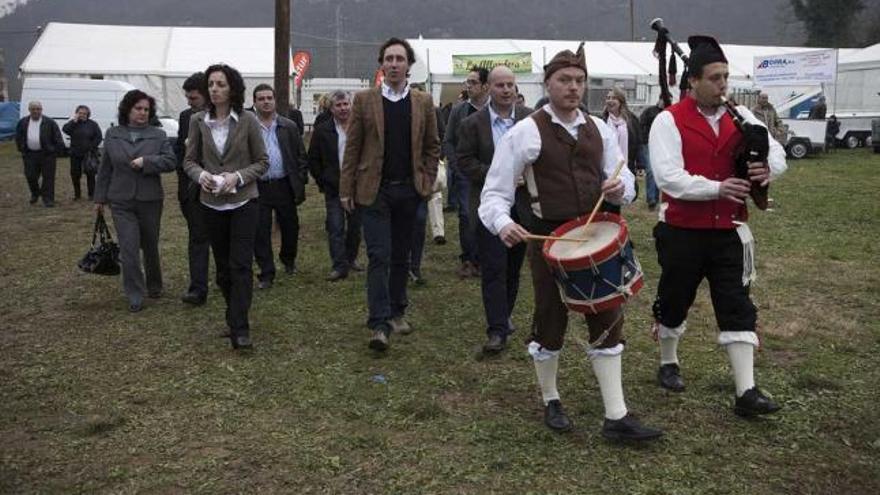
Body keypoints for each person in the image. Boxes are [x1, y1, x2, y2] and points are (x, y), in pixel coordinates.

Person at [479, 45, 663, 441]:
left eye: (579, 81)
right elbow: (493, 194)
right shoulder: (526, 131)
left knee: (608, 316)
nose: (573, 87)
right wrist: (503, 223)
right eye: (565, 80)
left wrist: (620, 188)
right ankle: (551, 398)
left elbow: (626, 179)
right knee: (550, 319)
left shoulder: (599, 127)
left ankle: (616, 416)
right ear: (548, 83)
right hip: (550, 239)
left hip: (598, 235)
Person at [648, 35, 787, 417]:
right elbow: (668, 177)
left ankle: (746, 391)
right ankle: (668, 361)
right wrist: (717, 187)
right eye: (714, 78)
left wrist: (765, 168)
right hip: (681, 230)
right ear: (692, 81)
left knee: (737, 304)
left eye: (725, 76)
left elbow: (777, 152)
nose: (722, 85)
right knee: (675, 299)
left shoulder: (741, 117)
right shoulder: (668, 120)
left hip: (729, 230)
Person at [339, 37, 440, 351]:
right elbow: (353, 147)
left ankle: (398, 310)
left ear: (409, 65)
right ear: (381, 64)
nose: (394, 64)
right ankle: (379, 322)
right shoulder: (365, 100)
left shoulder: (422, 102)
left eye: (400, 59)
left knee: (402, 256)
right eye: (389, 59)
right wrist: (346, 189)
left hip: (409, 191)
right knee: (378, 255)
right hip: (374, 192)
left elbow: (433, 146)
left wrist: (426, 179)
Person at [184, 64, 269, 351]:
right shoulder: (197, 121)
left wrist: (238, 176)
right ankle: (233, 314)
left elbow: (262, 162)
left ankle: (240, 328)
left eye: (220, 84)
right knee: (222, 269)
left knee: (241, 265)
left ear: (232, 88)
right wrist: (201, 176)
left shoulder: (248, 120)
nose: (214, 89)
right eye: (211, 84)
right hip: (211, 204)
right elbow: (189, 161)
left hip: (244, 202)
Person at [457, 65, 532, 354]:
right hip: (490, 209)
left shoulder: (529, 120)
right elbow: (464, 162)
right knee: (493, 269)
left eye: (510, 85)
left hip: (523, 208)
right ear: (489, 88)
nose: (506, 90)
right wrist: (500, 175)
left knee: (513, 268)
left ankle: (505, 314)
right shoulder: (472, 125)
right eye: (500, 85)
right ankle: (496, 330)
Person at [94, 90, 177, 312]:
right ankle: (135, 294)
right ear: (127, 110)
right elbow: (105, 169)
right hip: (120, 200)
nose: (142, 113)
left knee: (150, 245)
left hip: (150, 199)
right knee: (129, 248)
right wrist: (100, 198)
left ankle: (155, 285)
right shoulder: (112, 134)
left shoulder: (158, 135)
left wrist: (147, 161)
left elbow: (171, 162)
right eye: (138, 108)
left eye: (146, 110)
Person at [252, 83, 308, 289]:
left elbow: (301, 155)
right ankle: (266, 272)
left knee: (290, 226)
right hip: (259, 186)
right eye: (261, 98)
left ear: (275, 100)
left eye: (269, 98)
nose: (266, 102)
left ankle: (288, 259)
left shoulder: (288, 126)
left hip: (284, 184)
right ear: (254, 102)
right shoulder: (249, 127)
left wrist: (300, 179)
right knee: (260, 230)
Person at [308, 90, 363, 282]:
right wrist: (324, 180)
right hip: (334, 188)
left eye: (346, 104)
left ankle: (351, 258)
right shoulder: (322, 131)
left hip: (357, 187)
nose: (343, 108)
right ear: (331, 108)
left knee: (356, 227)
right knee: (336, 227)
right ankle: (339, 266)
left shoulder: (360, 128)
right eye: (338, 105)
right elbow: (313, 160)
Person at [444, 67, 490, 278]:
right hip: (465, 174)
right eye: (467, 82)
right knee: (466, 214)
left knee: (488, 214)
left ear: (485, 86)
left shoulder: (495, 110)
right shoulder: (459, 110)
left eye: (472, 82)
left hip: (490, 174)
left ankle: (484, 257)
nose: (467, 86)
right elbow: (449, 140)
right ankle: (469, 258)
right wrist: (455, 166)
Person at [174, 72, 212, 306]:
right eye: (187, 98)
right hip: (194, 189)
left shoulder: (230, 116)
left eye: (194, 98)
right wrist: (185, 189)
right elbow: (181, 154)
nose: (189, 102)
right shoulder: (185, 117)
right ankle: (198, 288)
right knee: (197, 239)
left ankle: (230, 281)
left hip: (223, 188)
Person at [15, 101, 65, 207]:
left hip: (47, 155)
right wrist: (22, 149)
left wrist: (54, 150)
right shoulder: (23, 122)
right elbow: (18, 137)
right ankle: (35, 193)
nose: (36, 111)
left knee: (48, 178)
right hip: (30, 154)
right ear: (29, 110)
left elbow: (58, 138)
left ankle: (48, 199)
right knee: (30, 176)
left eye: (38, 109)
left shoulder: (50, 122)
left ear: (41, 110)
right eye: (33, 109)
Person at [602, 87, 641, 209]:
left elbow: (637, 142)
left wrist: (640, 164)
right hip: (607, 167)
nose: (610, 100)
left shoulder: (631, 120)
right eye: (608, 98)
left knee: (621, 194)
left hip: (625, 163)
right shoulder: (602, 121)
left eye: (613, 98)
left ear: (620, 101)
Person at [62, 105, 103, 200]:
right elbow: (65, 130)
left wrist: (91, 146)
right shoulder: (73, 124)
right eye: (80, 113)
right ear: (77, 113)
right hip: (75, 153)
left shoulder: (93, 124)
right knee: (75, 174)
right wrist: (74, 121)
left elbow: (99, 137)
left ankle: (91, 194)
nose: (82, 115)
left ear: (88, 114)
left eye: (84, 113)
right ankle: (77, 195)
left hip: (89, 154)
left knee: (90, 174)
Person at [638, 98, 665, 210]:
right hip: (647, 143)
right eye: (664, 99)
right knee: (650, 170)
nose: (665, 102)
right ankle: (651, 199)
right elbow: (641, 124)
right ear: (659, 100)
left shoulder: (667, 112)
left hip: (661, 144)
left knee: (657, 171)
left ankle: (656, 198)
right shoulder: (650, 111)